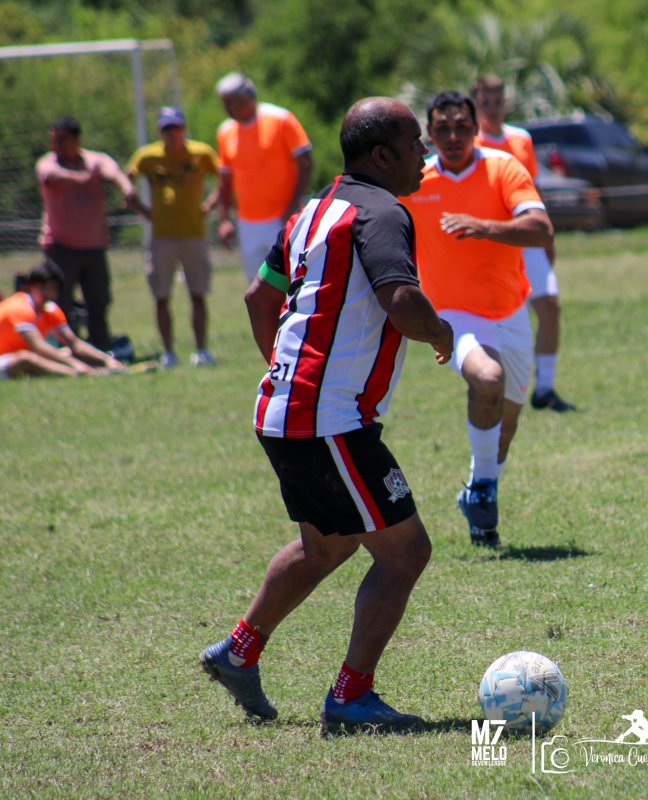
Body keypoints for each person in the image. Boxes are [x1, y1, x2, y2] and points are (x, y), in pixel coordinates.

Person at [200, 97, 454, 735]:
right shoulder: (383, 212)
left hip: (285, 411)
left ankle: (237, 653)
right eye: (415, 143)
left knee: (328, 542)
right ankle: (350, 698)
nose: (424, 154)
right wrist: (440, 332)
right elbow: (402, 300)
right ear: (382, 156)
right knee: (405, 553)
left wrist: (288, 375)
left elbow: (258, 297)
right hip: (329, 419)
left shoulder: (312, 210)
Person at [405, 91, 554, 547]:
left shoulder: (503, 167)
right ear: (429, 134)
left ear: (475, 129)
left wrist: (484, 226)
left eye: (461, 127)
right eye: (442, 128)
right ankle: (486, 489)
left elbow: (541, 229)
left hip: (510, 312)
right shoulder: (415, 180)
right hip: (451, 316)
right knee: (487, 380)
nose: (453, 137)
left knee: (505, 428)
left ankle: (476, 496)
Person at [472, 75, 575, 412]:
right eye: (485, 102)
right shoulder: (470, 143)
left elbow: (533, 190)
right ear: (475, 104)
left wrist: (546, 233)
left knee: (550, 306)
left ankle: (544, 389)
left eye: (497, 101)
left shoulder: (521, 139)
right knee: (499, 317)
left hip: (526, 238)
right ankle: (497, 386)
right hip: (493, 241)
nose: (493, 108)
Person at [126, 107, 221, 368]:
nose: (172, 133)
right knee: (161, 296)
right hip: (162, 238)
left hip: (194, 235)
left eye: (176, 128)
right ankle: (168, 352)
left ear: (183, 128)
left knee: (198, 293)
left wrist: (210, 204)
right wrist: (143, 210)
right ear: (160, 131)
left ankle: (202, 350)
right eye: (167, 129)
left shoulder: (201, 152)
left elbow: (223, 178)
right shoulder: (147, 156)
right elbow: (127, 180)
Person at [35, 116, 136, 351]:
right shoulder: (48, 163)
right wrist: (83, 178)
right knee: (60, 304)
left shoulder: (95, 160)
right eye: (54, 140)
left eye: (61, 140)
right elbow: (53, 177)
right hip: (61, 248)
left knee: (98, 302)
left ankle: (100, 350)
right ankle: (65, 352)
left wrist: (126, 188)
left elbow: (113, 172)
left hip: (93, 247)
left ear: (77, 140)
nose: (55, 145)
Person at [214, 72, 313, 282]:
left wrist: (293, 204)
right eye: (225, 104)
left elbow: (305, 163)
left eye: (231, 102)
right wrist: (224, 220)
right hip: (247, 222)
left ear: (247, 97)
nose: (228, 109)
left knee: (290, 280)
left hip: (283, 217)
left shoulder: (280, 119)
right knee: (257, 284)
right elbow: (225, 181)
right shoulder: (225, 131)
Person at [0, 260, 126, 378]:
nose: (48, 293)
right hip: (7, 359)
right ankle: (78, 374)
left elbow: (74, 343)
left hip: (23, 357)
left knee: (67, 352)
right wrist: (74, 364)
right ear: (30, 287)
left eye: (53, 288)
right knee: (26, 358)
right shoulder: (19, 308)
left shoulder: (50, 309)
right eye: (43, 288)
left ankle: (95, 370)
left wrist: (107, 360)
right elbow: (38, 345)